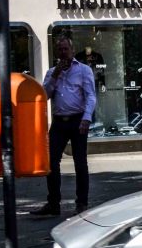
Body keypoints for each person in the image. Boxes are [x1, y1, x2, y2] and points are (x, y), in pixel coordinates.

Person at [32, 36, 97, 217]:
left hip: (78, 120)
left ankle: (82, 203)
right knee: (51, 163)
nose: (62, 53)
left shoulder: (84, 70)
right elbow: (44, 96)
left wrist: (86, 118)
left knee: (80, 162)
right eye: (59, 50)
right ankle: (53, 204)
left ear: (72, 50)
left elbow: (91, 96)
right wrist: (54, 76)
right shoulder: (52, 72)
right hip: (59, 122)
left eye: (65, 49)